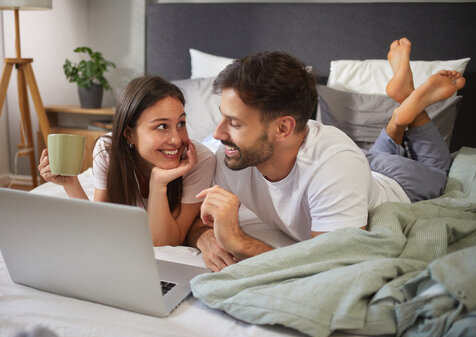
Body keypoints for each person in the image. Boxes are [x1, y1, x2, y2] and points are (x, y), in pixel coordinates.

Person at [187, 38, 466, 272]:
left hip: (400, 182)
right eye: (223, 118)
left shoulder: (335, 165)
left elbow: (329, 269)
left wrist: (238, 241)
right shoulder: (231, 153)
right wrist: (206, 238)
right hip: (362, 165)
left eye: (234, 123)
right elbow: (192, 221)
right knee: (364, 158)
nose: (219, 133)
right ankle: (400, 113)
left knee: (438, 171)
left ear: (284, 127)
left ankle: (405, 110)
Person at [39, 75, 216, 246]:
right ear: (129, 134)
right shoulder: (108, 152)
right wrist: (70, 183)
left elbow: (164, 243)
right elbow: (99, 225)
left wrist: (158, 183)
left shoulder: (200, 161)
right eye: (162, 127)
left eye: (181, 124)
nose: (176, 140)